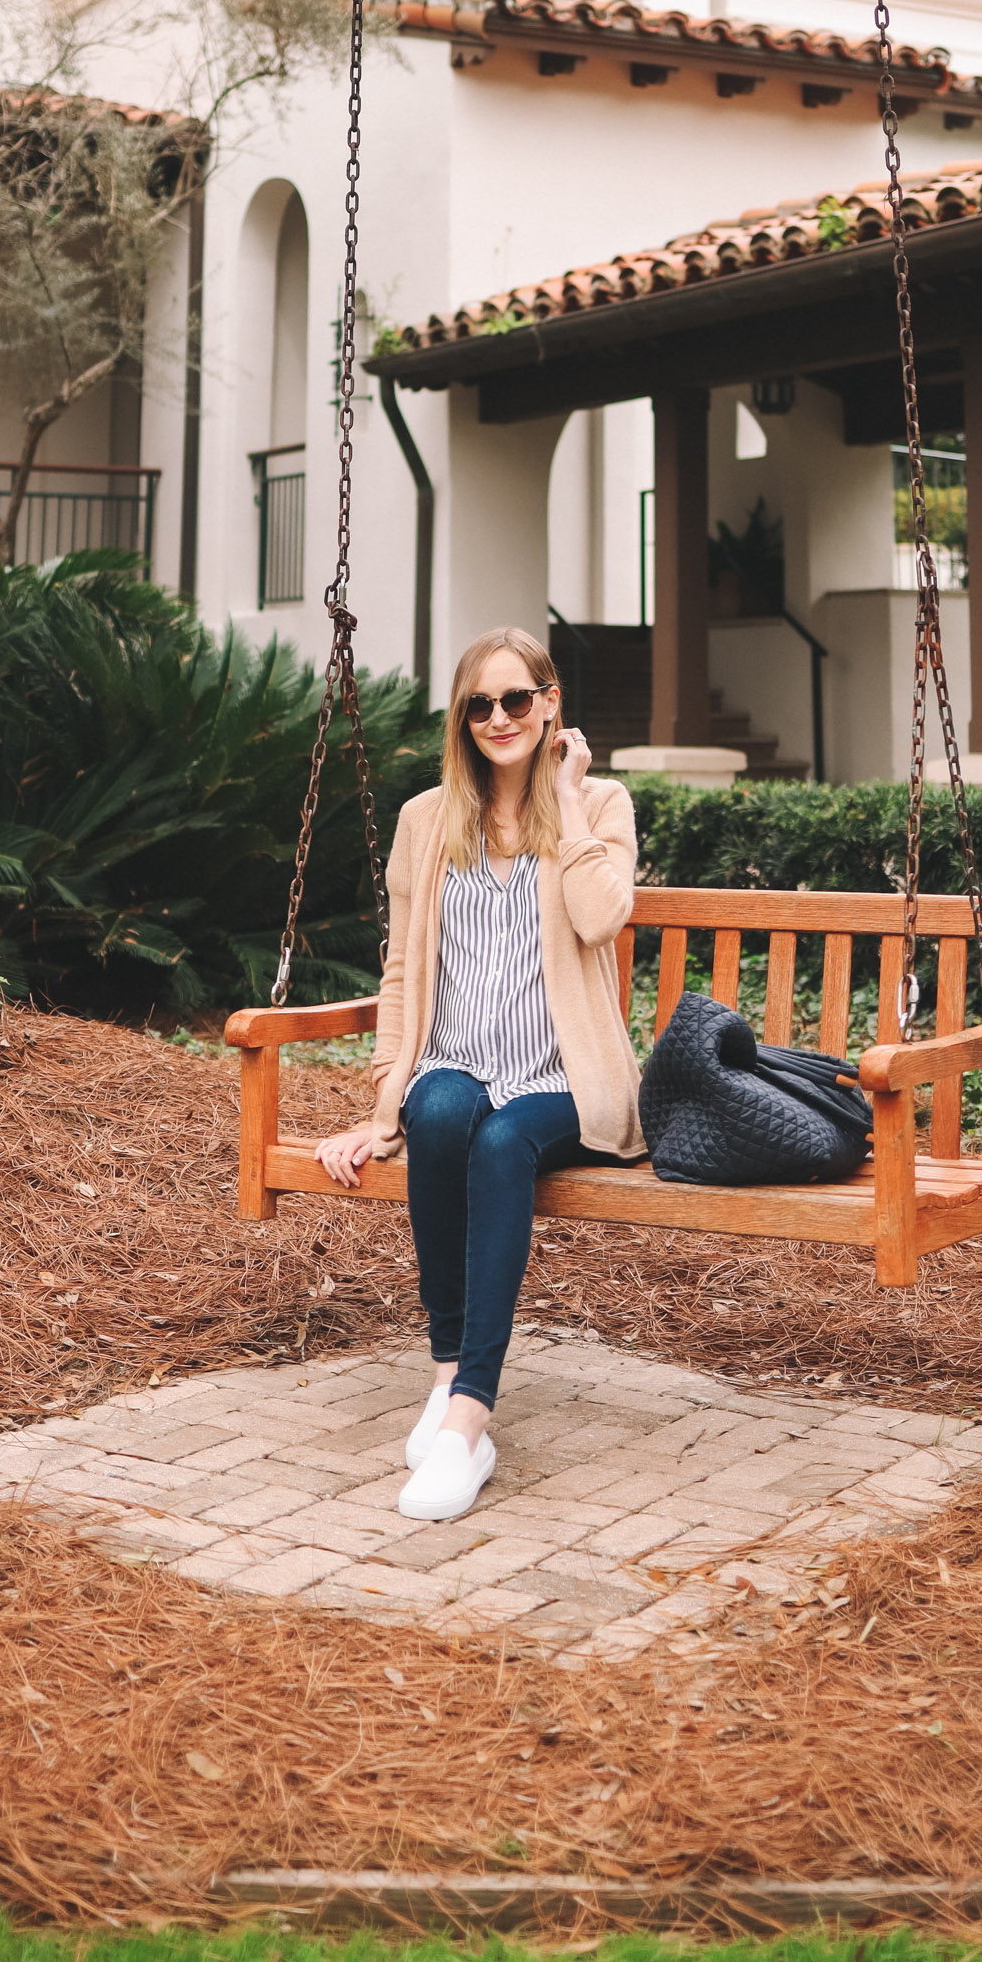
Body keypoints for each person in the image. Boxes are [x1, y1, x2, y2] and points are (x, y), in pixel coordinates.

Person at [314, 626, 642, 1522]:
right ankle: (450, 1374)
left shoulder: (604, 804)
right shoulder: (427, 821)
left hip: (561, 1078)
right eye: (479, 705)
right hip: (456, 1057)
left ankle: (465, 1420)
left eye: (517, 700)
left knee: (501, 1141)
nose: (499, 719)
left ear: (550, 705)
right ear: (462, 719)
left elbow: (602, 918)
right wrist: (385, 1100)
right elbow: (398, 976)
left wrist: (568, 805)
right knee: (444, 1112)